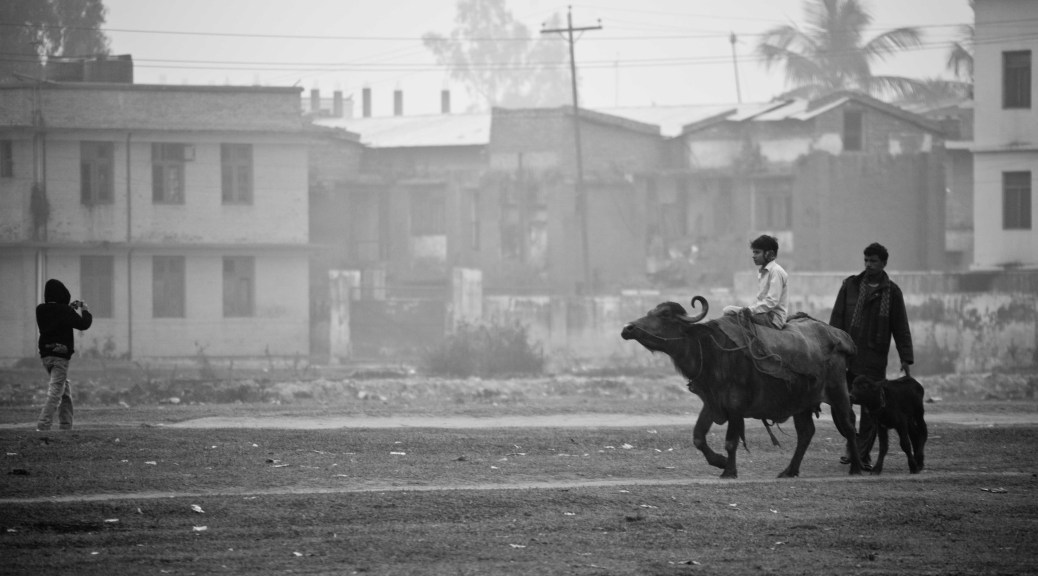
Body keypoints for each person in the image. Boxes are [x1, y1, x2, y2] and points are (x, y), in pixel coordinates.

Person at [829, 242, 913, 467]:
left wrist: (906, 357)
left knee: (870, 413)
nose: (868, 265)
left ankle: (860, 454)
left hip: (875, 360)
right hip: (848, 357)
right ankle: (853, 443)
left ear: (884, 263)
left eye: (873, 261)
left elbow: (900, 326)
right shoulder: (850, 286)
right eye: (866, 260)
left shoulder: (892, 292)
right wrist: (830, 348)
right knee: (840, 403)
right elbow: (836, 319)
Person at [35, 278, 92, 431]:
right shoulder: (65, 311)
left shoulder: (40, 309)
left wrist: (69, 308)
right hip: (60, 357)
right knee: (55, 392)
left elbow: (57, 316)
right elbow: (83, 324)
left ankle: (66, 425)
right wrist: (84, 309)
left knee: (63, 390)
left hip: (46, 356)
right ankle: (43, 425)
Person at [723, 234, 789, 330]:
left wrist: (749, 310)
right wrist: (749, 309)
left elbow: (771, 302)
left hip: (774, 318)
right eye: (753, 253)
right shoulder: (763, 272)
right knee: (728, 310)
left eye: (757, 252)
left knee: (731, 314)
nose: (753, 256)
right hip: (763, 314)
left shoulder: (776, 271)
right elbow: (761, 301)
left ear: (768, 254)